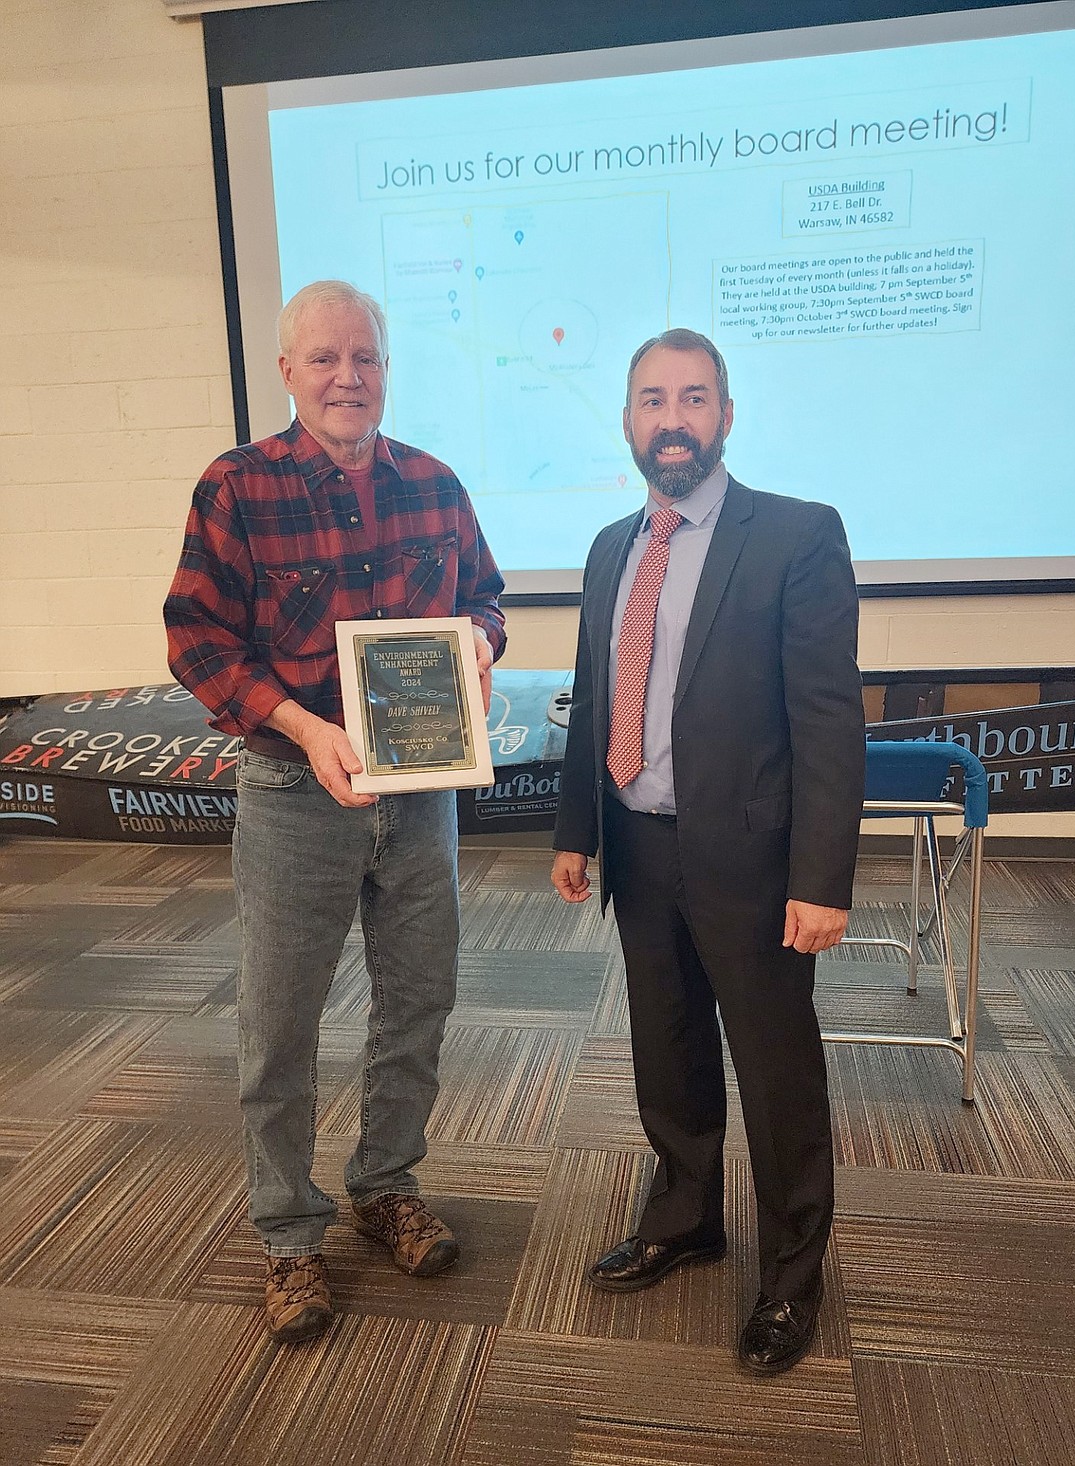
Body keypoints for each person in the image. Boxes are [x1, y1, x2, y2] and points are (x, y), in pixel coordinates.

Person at [164, 280, 505, 1343]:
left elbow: (487, 594)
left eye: (364, 356)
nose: (346, 376)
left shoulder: (435, 484)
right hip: (289, 789)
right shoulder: (235, 486)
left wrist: (480, 647)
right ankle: (287, 1233)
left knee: (418, 996)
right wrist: (307, 730)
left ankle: (383, 1181)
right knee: (278, 1018)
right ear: (286, 371)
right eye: (324, 359)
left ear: (386, 368)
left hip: (418, 796)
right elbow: (196, 639)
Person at [551, 328, 865, 1375]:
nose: (671, 418)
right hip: (637, 850)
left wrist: (821, 878)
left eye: (692, 398)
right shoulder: (609, 547)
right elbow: (594, 696)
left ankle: (790, 1274)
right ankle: (684, 1214)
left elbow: (826, 719)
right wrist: (573, 832)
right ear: (628, 419)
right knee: (666, 1047)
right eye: (651, 399)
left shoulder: (794, 534)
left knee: (776, 1076)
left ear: (723, 416)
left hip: (753, 862)